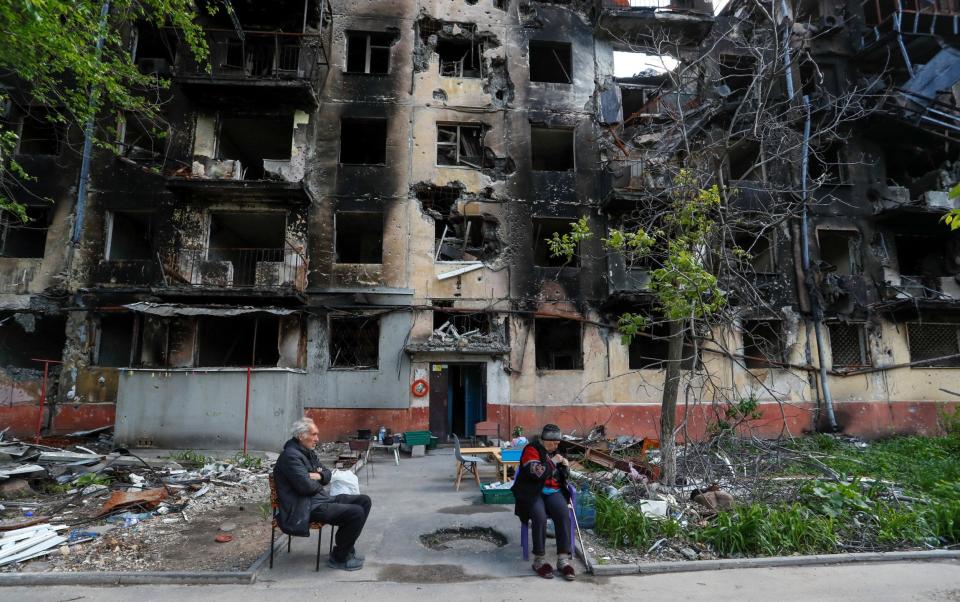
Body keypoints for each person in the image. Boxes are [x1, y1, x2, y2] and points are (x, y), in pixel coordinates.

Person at [273, 417, 372, 571]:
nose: (317, 439)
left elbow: (327, 474)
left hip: (319, 499)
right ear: (301, 436)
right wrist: (315, 478)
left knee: (364, 501)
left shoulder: (307, 453)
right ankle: (339, 558)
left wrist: (317, 476)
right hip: (304, 507)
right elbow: (305, 487)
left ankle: (345, 549)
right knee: (356, 513)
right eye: (314, 435)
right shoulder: (290, 457)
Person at [510, 423, 575, 581]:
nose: (556, 446)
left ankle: (562, 559)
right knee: (539, 517)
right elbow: (537, 473)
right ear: (545, 440)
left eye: (558, 443)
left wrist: (565, 467)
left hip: (553, 491)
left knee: (563, 514)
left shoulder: (555, 450)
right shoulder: (531, 450)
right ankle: (539, 560)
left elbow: (561, 474)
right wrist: (553, 461)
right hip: (533, 492)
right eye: (553, 443)